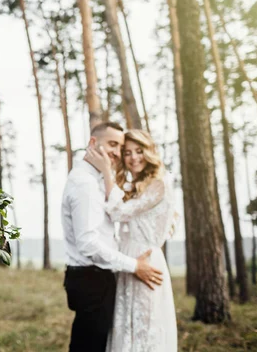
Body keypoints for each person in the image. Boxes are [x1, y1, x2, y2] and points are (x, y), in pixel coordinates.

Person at [62, 122, 163, 352]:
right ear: (92, 143)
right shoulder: (84, 183)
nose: (117, 153)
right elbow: (88, 243)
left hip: (96, 277)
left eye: (120, 147)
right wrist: (134, 265)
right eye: (113, 144)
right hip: (91, 278)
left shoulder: (94, 180)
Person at [85, 129, 178, 352]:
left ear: (150, 152)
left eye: (139, 151)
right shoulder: (139, 185)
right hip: (129, 261)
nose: (133, 157)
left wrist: (107, 171)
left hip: (144, 260)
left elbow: (118, 212)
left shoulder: (159, 183)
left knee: (144, 329)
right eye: (127, 152)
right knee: (126, 327)